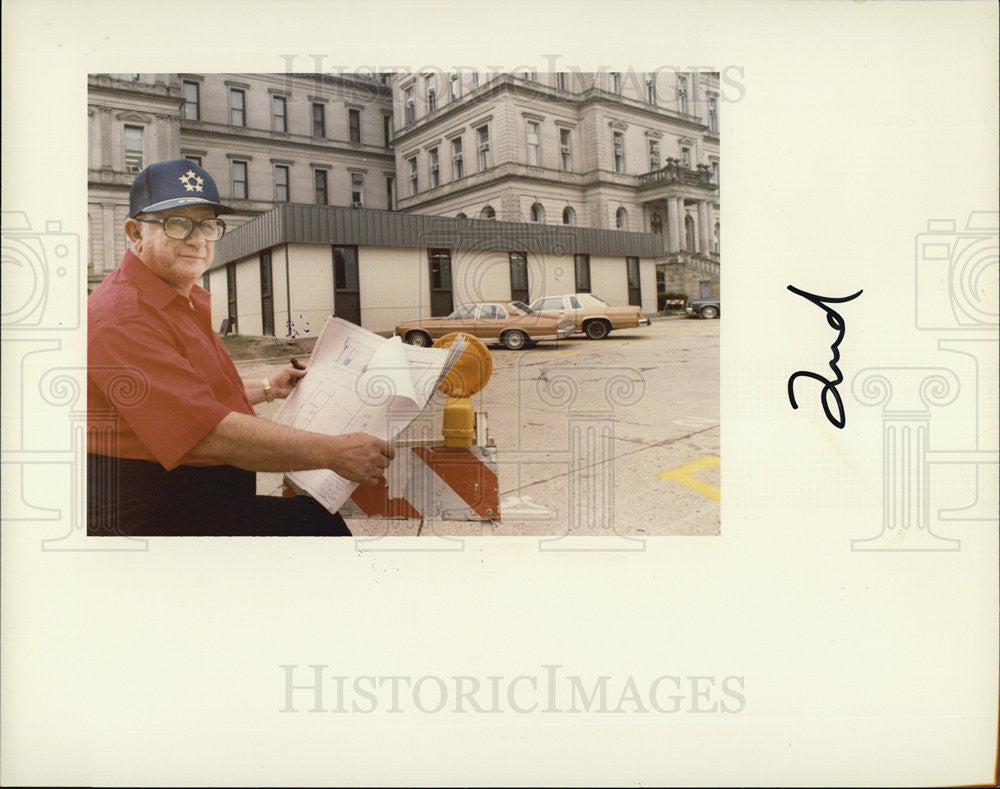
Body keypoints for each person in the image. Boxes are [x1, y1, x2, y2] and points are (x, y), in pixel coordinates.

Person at [87, 159, 393, 536]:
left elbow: (189, 393)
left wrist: (268, 388)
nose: (197, 239)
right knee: (318, 529)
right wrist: (335, 452)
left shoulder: (174, 297)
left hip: (196, 499)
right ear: (135, 233)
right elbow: (205, 432)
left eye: (207, 224)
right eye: (178, 223)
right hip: (154, 513)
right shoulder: (122, 317)